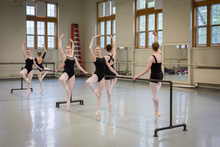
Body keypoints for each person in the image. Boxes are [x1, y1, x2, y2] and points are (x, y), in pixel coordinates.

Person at [86, 35, 122, 121]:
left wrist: (117, 74)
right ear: (95, 51)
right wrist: (93, 38)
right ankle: (95, 91)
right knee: (88, 82)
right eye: (96, 50)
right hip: (96, 75)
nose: (97, 50)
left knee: (100, 96)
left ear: (101, 50)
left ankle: (98, 112)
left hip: (102, 77)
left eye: (99, 49)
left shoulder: (104, 58)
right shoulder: (95, 58)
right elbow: (89, 48)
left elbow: (110, 68)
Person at [133, 31, 163, 123]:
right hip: (160, 75)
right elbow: (157, 45)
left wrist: (137, 76)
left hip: (153, 77)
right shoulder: (160, 54)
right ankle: (156, 112)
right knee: (155, 95)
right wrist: (156, 36)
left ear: (151, 47)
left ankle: (157, 112)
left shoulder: (152, 57)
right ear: (158, 48)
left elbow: (146, 70)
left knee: (155, 97)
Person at [59, 34, 88, 111]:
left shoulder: (74, 57)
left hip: (72, 74)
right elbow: (60, 48)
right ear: (66, 50)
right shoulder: (65, 57)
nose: (68, 49)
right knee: (61, 79)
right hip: (66, 73)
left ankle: (68, 103)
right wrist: (60, 39)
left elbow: (78, 66)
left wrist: (84, 71)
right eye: (67, 48)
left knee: (70, 90)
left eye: (69, 48)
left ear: (71, 49)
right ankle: (66, 90)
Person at [104, 35, 117, 112]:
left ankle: (109, 103)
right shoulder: (113, 55)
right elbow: (114, 47)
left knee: (107, 89)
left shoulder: (105, 57)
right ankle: (111, 86)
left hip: (107, 71)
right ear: (111, 49)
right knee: (115, 78)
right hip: (112, 70)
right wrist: (112, 38)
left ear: (105, 49)